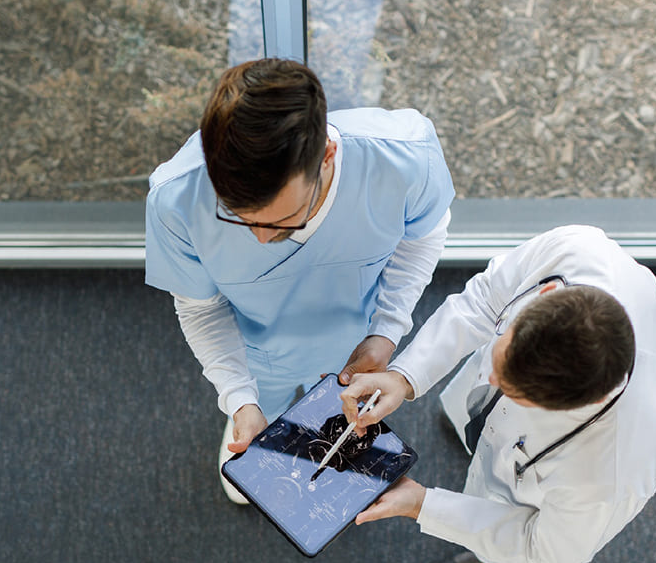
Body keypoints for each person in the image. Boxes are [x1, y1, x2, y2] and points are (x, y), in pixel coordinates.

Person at [145, 58, 455, 503]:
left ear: (326, 156)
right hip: (256, 354)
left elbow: (421, 240)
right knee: (262, 408)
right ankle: (259, 414)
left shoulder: (407, 159)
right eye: (236, 216)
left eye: (281, 220)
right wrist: (240, 398)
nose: (259, 238)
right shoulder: (175, 200)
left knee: (339, 412)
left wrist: (386, 331)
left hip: (356, 341)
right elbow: (200, 307)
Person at [340, 225, 656, 563]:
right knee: (471, 415)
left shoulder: (613, 473)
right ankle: (470, 428)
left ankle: (492, 562)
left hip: (527, 511)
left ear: (587, 403)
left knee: (506, 536)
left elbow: (542, 549)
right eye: (500, 356)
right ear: (545, 294)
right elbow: (485, 300)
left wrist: (425, 506)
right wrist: (405, 376)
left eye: (515, 393)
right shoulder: (575, 250)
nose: (490, 379)